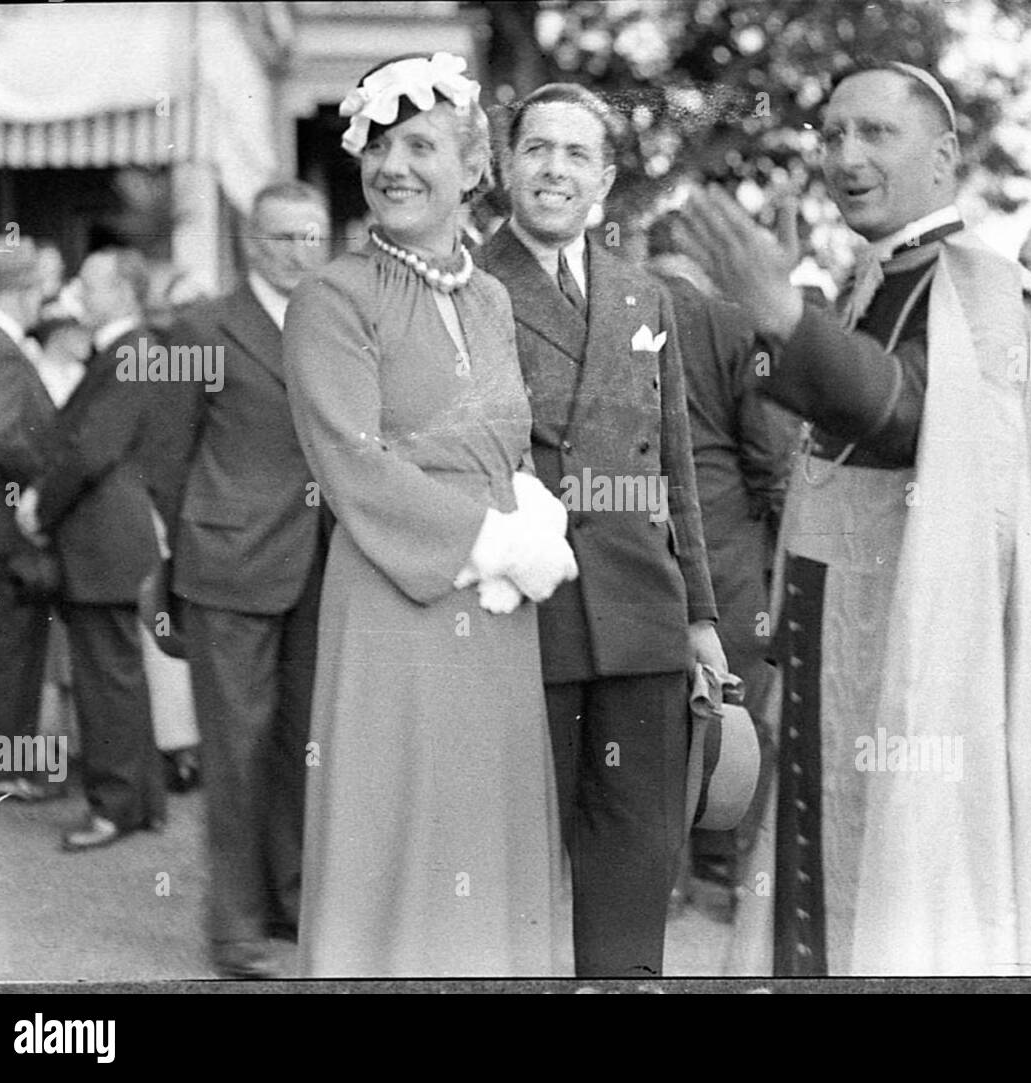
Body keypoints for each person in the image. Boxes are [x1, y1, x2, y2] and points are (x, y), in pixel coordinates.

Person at [679, 60, 1031, 976]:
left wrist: (782, 316)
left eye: (876, 133)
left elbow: (905, 414)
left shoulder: (989, 292)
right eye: (833, 134)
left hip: (932, 663)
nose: (846, 154)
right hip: (838, 640)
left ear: (944, 154)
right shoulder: (869, 284)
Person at [283, 53, 576, 977]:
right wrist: (488, 540)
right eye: (378, 143)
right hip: (393, 602)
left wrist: (534, 515)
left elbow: (510, 444)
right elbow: (352, 460)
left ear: (473, 169)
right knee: (397, 817)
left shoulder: (489, 296)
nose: (392, 164)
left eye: (420, 145)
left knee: (482, 821)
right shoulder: (332, 296)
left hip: (497, 619)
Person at [478, 83, 726, 978]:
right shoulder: (468, 288)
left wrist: (699, 615)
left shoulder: (641, 295)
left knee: (636, 852)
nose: (555, 169)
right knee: (518, 854)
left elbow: (677, 467)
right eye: (537, 148)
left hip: (639, 612)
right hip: (523, 608)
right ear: (507, 167)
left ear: (607, 180)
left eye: (577, 154)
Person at [158, 181, 333, 978]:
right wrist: (206, 525)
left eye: (312, 237)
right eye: (284, 237)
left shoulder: (333, 320)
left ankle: (290, 902)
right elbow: (164, 455)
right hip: (229, 566)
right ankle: (233, 932)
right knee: (235, 752)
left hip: (321, 566)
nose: (300, 251)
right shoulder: (202, 326)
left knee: (304, 744)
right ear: (251, 243)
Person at [646, 211, 801, 906]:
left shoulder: (606, 313)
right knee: (735, 710)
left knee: (649, 715)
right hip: (725, 539)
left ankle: (663, 876)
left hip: (631, 535)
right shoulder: (734, 325)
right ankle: (732, 870)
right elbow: (768, 453)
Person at [17, 247, 172, 850]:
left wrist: (38, 506)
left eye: (91, 285)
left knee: (105, 681)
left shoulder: (131, 353)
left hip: (100, 540)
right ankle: (138, 802)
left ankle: (114, 809)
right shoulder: (132, 351)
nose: (79, 295)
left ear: (126, 293)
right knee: (119, 676)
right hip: (111, 540)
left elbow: (91, 451)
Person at [0, 236, 58, 802]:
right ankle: (2, 770)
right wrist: (44, 476)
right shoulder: (2, 351)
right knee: (12, 652)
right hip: (3, 527)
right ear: (25, 291)